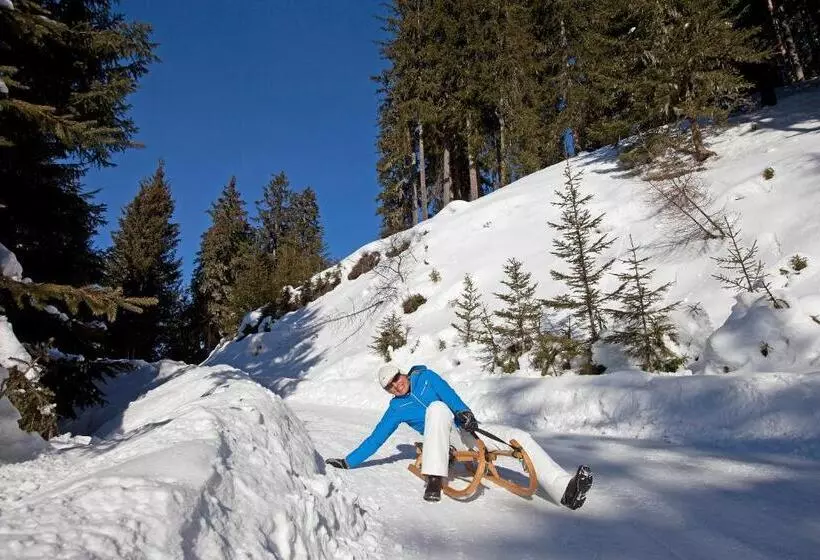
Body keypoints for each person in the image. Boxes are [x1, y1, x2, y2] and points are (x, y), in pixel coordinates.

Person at [325, 364, 593, 506]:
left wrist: (464, 412)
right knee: (437, 408)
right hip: (442, 441)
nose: (397, 385)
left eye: (396, 378)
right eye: (390, 386)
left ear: (402, 372)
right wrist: (349, 461)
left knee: (517, 435)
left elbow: (449, 394)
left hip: (462, 429)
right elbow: (376, 438)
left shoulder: (426, 377)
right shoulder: (395, 409)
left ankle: (564, 489)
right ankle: (434, 476)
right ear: (388, 392)